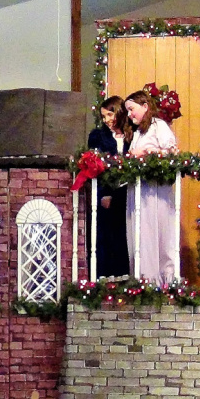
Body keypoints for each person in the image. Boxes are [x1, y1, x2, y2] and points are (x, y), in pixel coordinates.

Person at [124, 90, 178, 285]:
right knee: (140, 234)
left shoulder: (158, 126)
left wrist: (147, 152)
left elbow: (172, 152)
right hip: (139, 191)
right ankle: (142, 278)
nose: (130, 114)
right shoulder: (138, 132)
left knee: (158, 232)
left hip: (155, 191)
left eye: (132, 109)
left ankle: (162, 280)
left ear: (145, 106)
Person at [87, 95, 132, 277]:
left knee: (127, 234)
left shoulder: (133, 133)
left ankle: (128, 275)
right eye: (103, 116)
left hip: (129, 190)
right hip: (109, 191)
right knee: (110, 234)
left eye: (109, 115)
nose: (106, 120)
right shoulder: (98, 136)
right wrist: (104, 194)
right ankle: (108, 276)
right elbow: (97, 167)